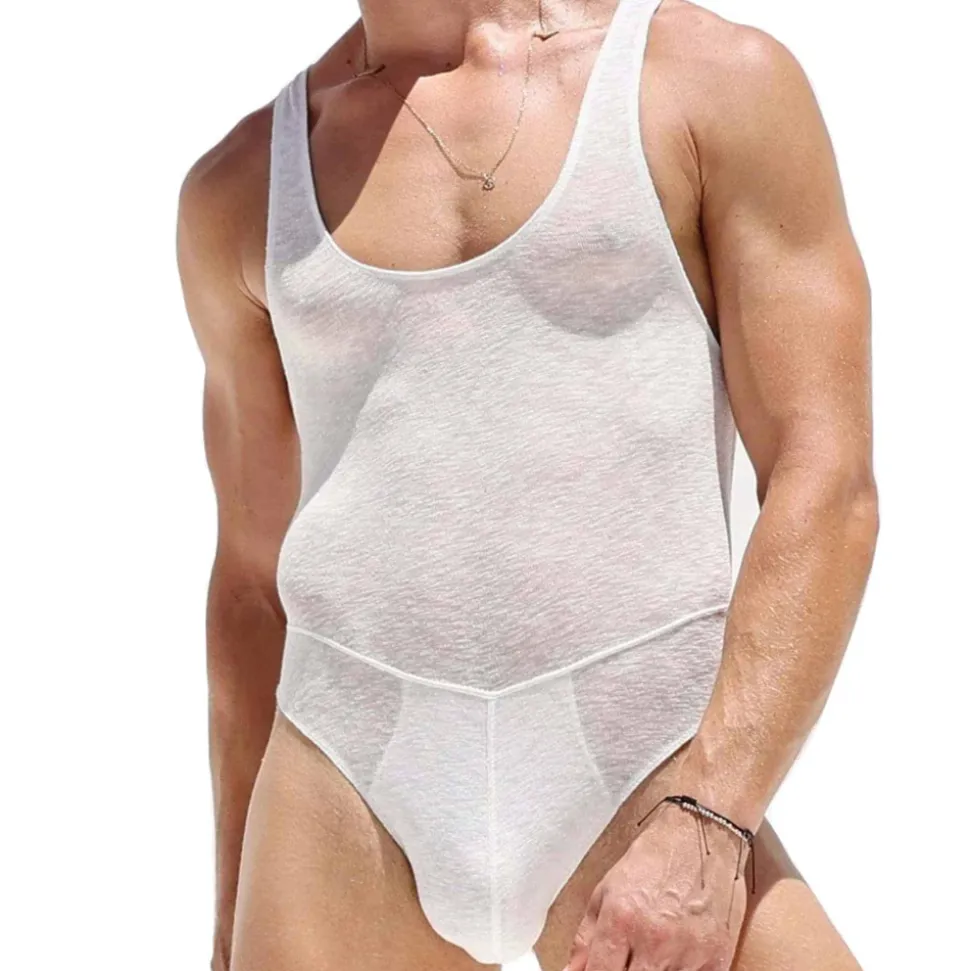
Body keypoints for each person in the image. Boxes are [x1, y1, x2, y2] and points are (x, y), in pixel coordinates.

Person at [175, 0, 878, 968]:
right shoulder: (243, 185)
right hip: (344, 784)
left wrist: (713, 813)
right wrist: (229, 921)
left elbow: (824, 477)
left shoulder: (704, 84)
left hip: (644, 764)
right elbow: (251, 584)